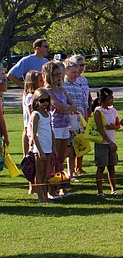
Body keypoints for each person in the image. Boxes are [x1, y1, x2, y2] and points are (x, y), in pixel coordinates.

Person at [43, 60, 76, 195]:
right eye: (56, 74)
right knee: (54, 157)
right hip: (54, 126)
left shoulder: (62, 89)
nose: (58, 77)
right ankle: (51, 189)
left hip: (65, 125)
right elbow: (59, 106)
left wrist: (67, 109)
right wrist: (67, 109)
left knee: (62, 157)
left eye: (60, 74)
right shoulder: (46, 91)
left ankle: (62, 187)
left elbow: (72, 105)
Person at [92, 88, 120, 196]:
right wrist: (109, 142)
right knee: (101, 167)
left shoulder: (113, 110)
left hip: (112, 142)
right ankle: (100, 191)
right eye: (109, 99)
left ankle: (114, 189)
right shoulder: (98, 111)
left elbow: (118, 125)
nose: (112, 100)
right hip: (102, 144)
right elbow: (100, 129)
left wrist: (114, 127)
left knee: (111, 166)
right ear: (102, 100)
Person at [30, 88, 54, 203]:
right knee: (39, 173)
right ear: (36, 102)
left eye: (47, 100)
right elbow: (34, 134)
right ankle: (40, 197)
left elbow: (50, 130)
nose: (45, 103)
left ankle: (45, 194)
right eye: (42, 100)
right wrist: (40, 151)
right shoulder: (36, 115)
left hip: (48, 147)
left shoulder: (48, 114)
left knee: (46, 173)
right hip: (40, 149)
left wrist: (53, 147)